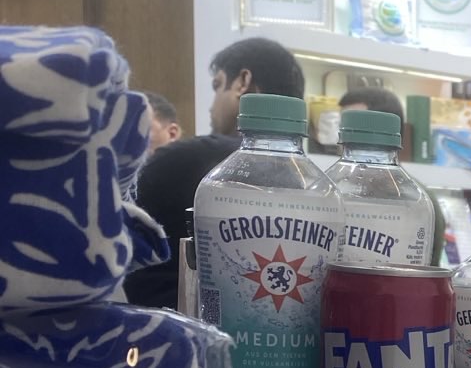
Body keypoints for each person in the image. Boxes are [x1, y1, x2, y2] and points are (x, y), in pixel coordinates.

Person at [124, 37, 305, 308]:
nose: (211, 106)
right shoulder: (306, 180)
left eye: (217, 85)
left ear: (242, 82)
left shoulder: (183, 159)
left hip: (164, 325)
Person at [336, 84, 446, 265]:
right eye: (342, 126)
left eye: (354, 125)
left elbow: (426, 272)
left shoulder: (418, 201)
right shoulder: (330, 189)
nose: (342, 134)